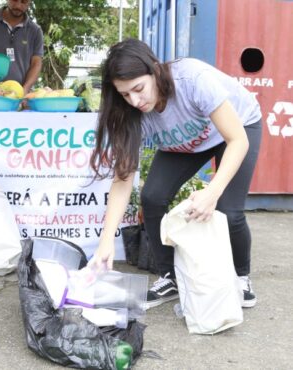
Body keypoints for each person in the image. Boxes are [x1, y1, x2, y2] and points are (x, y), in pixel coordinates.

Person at [89, 38, 262, 310]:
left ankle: (241, 276)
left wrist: (212, 192)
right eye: (125, 95)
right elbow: (122, 180)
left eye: (138, 89)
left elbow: (237, 140)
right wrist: (105, 241)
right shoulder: (131, 113)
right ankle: (169, 276)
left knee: (229, 211)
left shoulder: (192, 79)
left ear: (154, 69)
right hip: (183, 141)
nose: (135, 101)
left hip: (235, 129)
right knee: (153, 197)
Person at [0, 0, 43, 94]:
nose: (18, 5)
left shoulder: (35, 31)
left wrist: (24, 90)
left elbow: (36, 64)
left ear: (29, 2)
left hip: (20, 95)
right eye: (14, 0)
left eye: (24, 1)